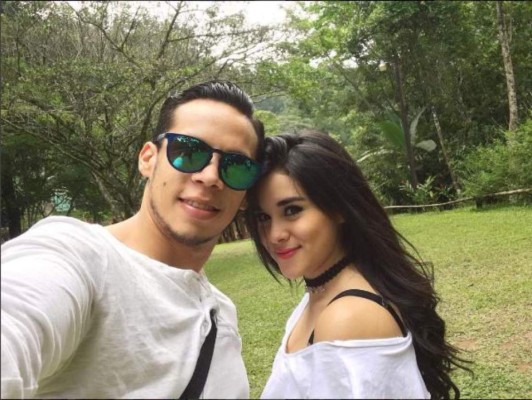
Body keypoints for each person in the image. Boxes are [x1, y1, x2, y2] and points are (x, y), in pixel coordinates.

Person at [1, 80, 265, 399]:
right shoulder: (80, 257)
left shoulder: (222, 314)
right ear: (148, 159)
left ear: (246, 194)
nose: (210, 177)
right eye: (188, 151)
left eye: (236, 167)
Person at [245, 130, 470, 399]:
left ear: (338, 208)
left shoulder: (347, 319)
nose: (274, 235)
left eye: (292, 210)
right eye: (263, 217)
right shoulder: (322, 294)